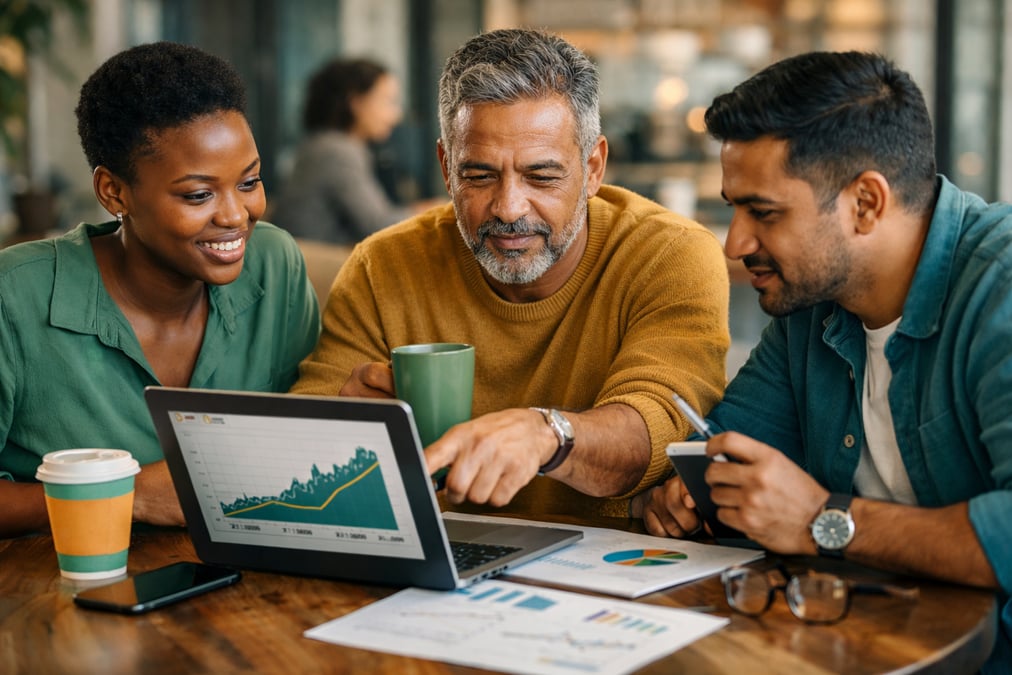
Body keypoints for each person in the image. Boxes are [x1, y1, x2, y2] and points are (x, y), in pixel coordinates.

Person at [634, 51, 1010, 670]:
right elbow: (732, 454)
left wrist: (823, 520)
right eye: (733, 207)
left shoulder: (1000, 287)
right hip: (848, 644)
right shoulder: (810, 303)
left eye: (764, 212)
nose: (735, 243)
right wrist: (694, 498)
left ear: (865, 202)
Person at [291, 28, 730, 518]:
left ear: (594, 168)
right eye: (478, 176)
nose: (507, 207)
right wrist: (344, 430)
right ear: (445, 167)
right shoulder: (382, 265)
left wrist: (549, 435)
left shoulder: (668, 254)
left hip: (607, 571)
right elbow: (306, 444)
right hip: (436, 561)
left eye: (542, 176)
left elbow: (654, 429)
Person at [0, 42, 321, 538]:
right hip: (57, 594)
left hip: (249, 584)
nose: (236, 216)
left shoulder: (273, 265)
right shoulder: (15, 296)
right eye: (198, 194)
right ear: (114, 192)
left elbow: (301, 435)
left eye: (250, 181)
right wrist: (126, 496)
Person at [271, 57, 442, 244]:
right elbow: (378, 224)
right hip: (318, 260)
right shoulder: (336, 151)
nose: (396, 115)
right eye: (388, 101)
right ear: (356, 103)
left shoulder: (325, 144)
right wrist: (437, 211)